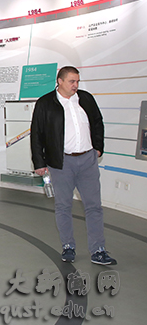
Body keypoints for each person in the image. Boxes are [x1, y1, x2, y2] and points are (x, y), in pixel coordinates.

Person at [30, 66, 117, 265]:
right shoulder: (45, 103)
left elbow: (97, 122)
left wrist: (98, 148)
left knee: (94, 207)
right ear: (59, 81)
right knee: (63, 206)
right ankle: (68, 246)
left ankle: (98, 250)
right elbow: (37, 134)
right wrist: (39, 162)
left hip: (87, 160)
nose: (75, 85)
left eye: (77, 81)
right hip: (61, 162)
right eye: (71, 81)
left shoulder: (85, 99)